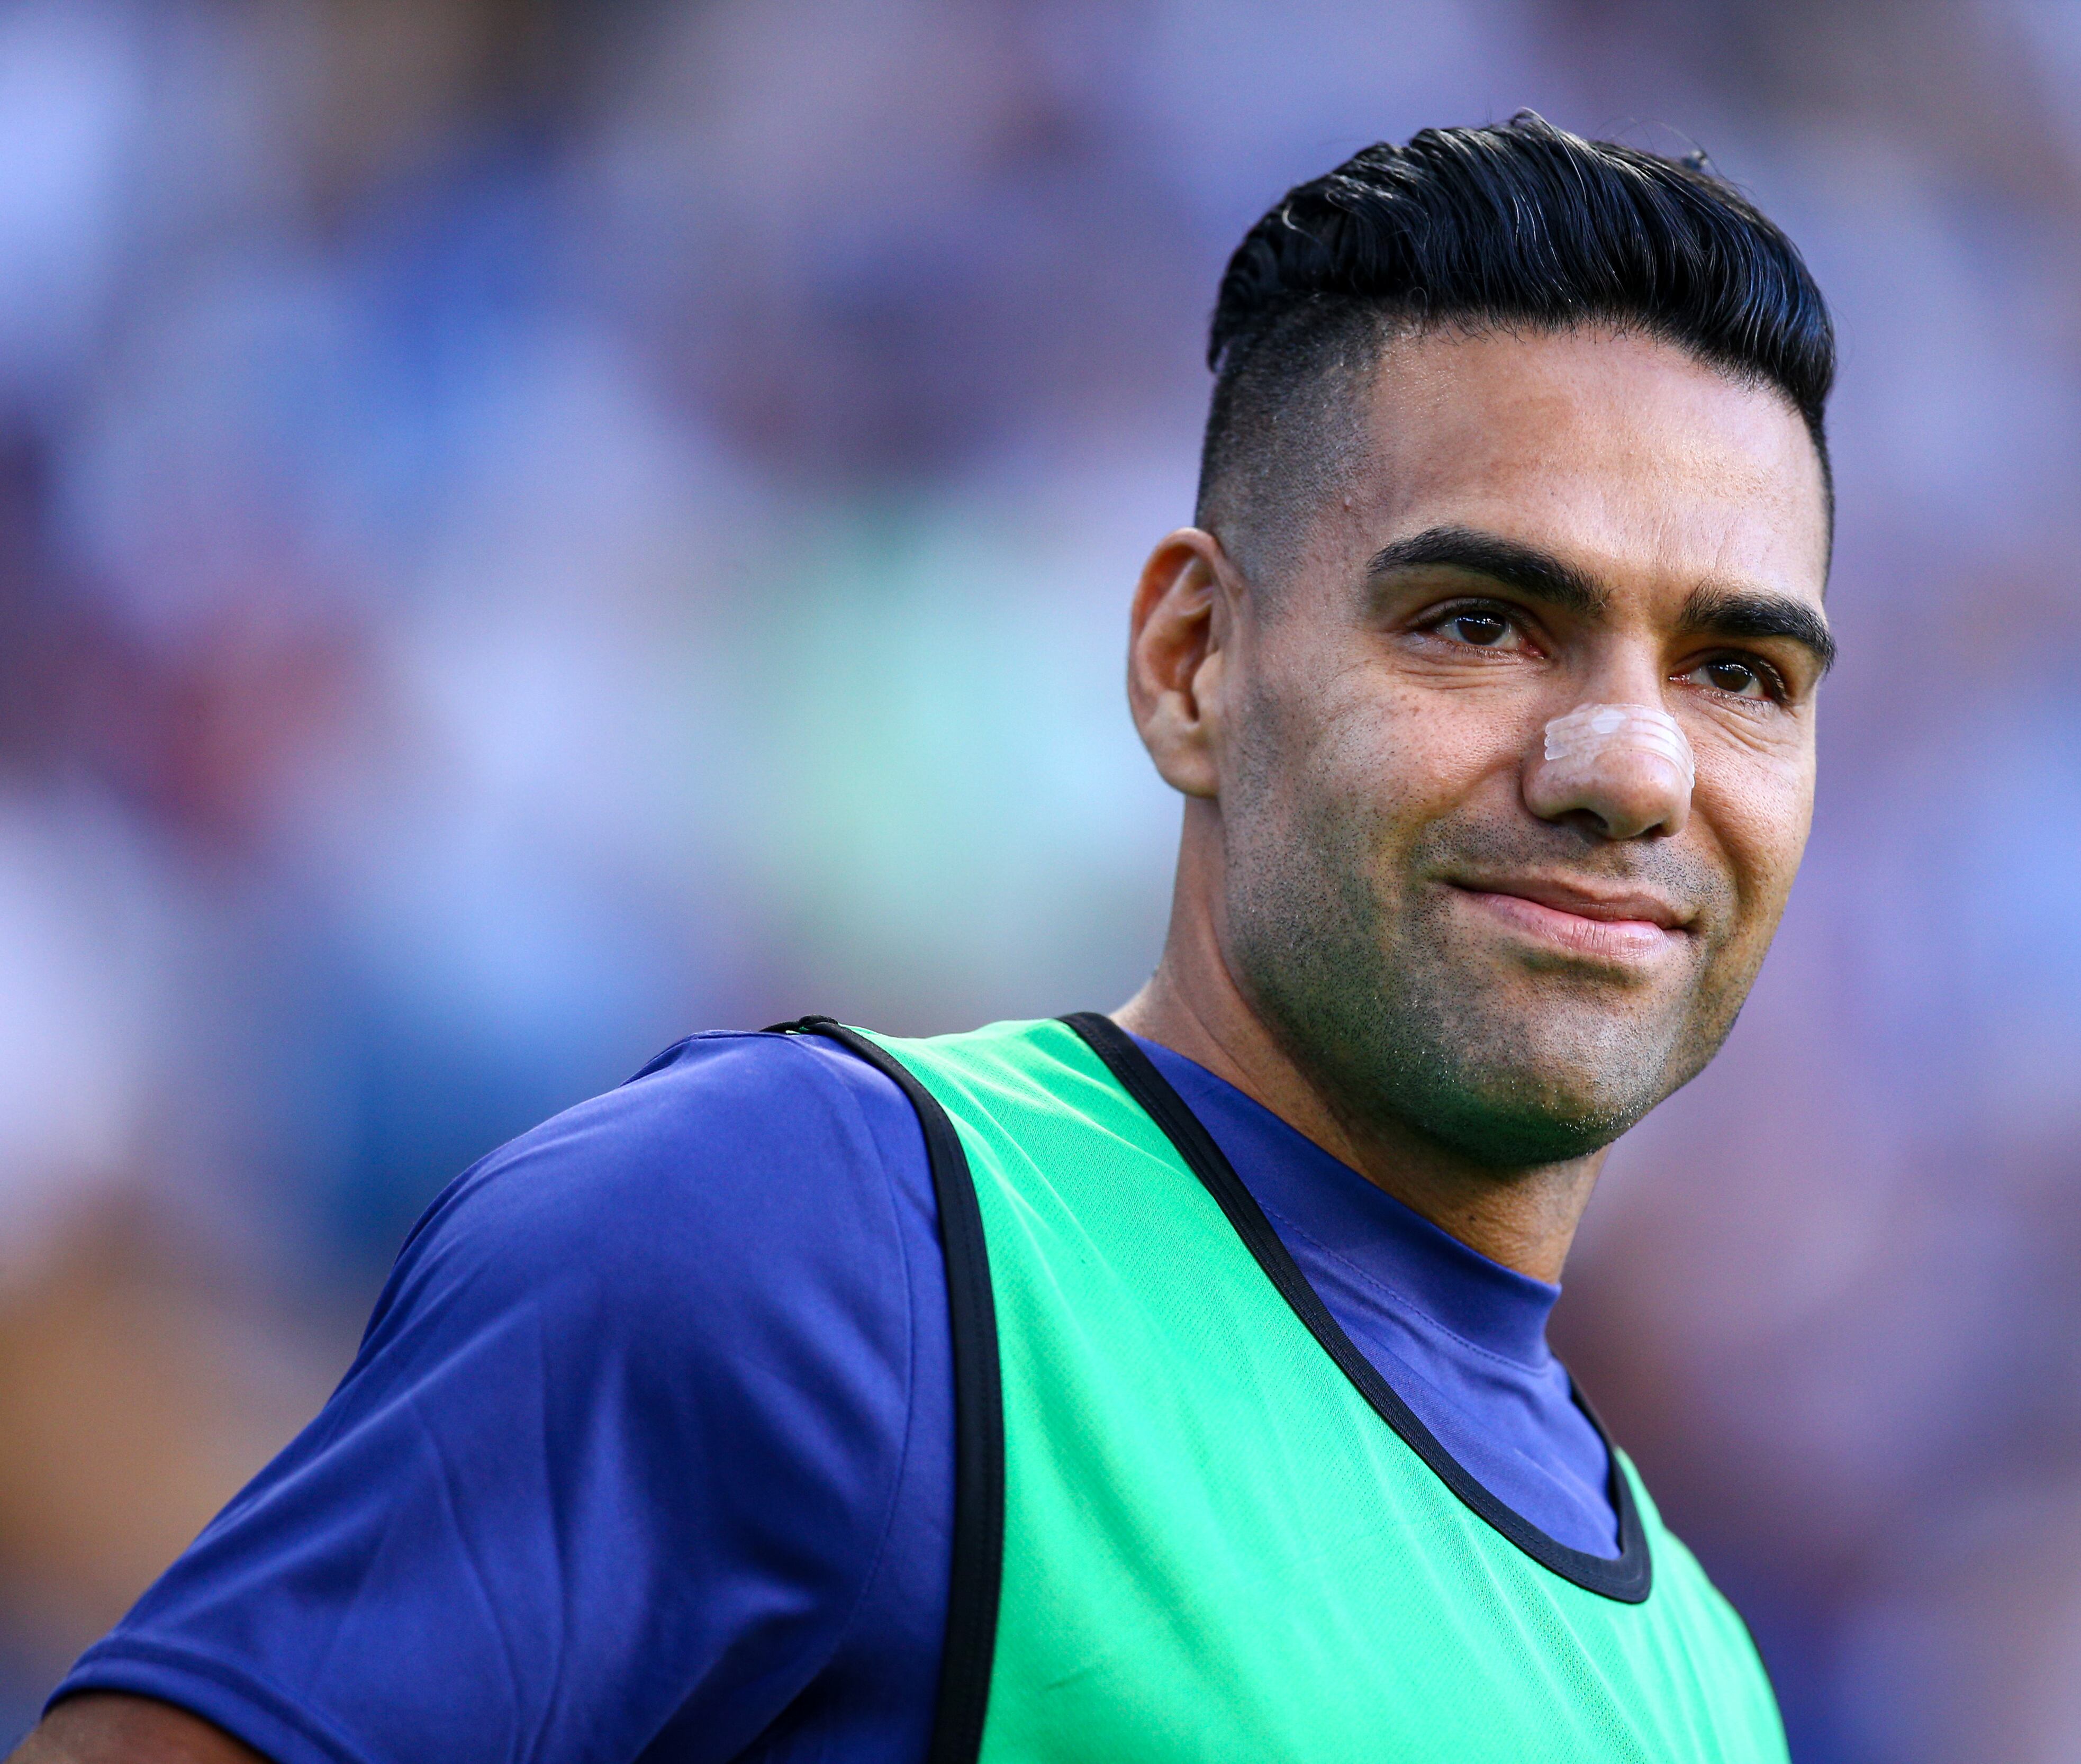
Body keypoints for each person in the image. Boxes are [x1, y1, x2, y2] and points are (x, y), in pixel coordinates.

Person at [16, 112, 1835, 1763]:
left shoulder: (1714, 1689)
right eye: (1481, 622)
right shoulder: (808, 1235)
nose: (1631, 764)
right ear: (1192, 663)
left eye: (1740, 672)